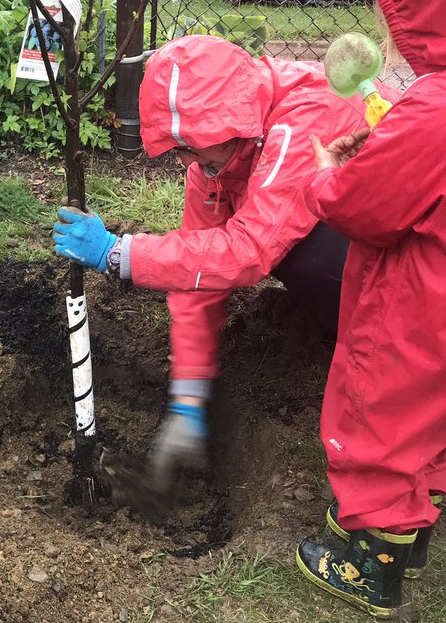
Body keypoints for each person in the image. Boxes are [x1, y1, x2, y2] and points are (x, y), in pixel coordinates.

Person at [52, 32, 374, 494]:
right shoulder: (214, 163)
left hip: (417, 274)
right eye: (180, 147)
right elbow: (197, 271)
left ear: (234, 124)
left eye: (194, 145)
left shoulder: (306, 119)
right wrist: (187, 398)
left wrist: (118, 253)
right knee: (258, 248)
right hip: (363, 260)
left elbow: (248, 250)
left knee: (303, 250)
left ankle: (366, 339)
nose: (185, 158)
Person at [296, 0, 446, 617]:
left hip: (416, 304)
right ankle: (416, 527)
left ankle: (371, 565)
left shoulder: (433, 112)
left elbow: (368, 209)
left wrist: (334, 173)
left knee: (380, 412)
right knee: (434, 417)